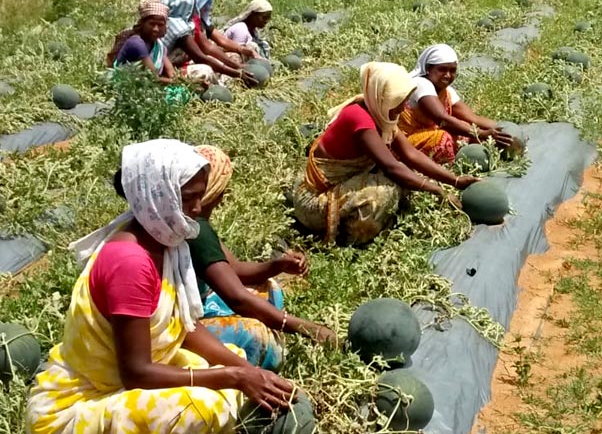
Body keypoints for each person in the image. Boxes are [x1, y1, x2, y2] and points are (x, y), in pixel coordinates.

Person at [26, 140, 296, 434]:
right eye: (188, 198)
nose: (197, 208)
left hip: (136, 376)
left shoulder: (166, 241)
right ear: (159, 197)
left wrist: (244, 369)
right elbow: (136, 373)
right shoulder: (130, 262)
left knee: (232, 355)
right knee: (201, 407)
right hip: (87, 399)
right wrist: (233, 376)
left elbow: (184, 328)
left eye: (200, 196)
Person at [111, 144, 336, 370]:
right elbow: (236, 297)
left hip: (181, 318)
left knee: (269, 290)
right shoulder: (166, 240)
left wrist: (277, 265)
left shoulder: (174, 224)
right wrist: (307, 328)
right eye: (192, 195)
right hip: (156, 340)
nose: (220, 199)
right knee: (259, 337)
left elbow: (233, 268)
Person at [293, 61, 481, 245]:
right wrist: (436, 190)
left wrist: (455, 180)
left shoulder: (380, 113)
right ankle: (346, 238)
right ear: (382, 96)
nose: (402, 108)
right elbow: (392, 167)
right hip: (314, 202)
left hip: (344, 182)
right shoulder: (359, 119)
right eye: (397, 102)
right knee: (384, 193)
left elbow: (410, 154)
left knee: (406, 181)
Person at [398, 44, 513, 164]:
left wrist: (505, 130)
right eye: (442, 69)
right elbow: (442, 119)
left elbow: (472, 118)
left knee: (466, 128)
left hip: (430, 134)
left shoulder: (445, 91)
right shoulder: (420, 84)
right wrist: (482, 134)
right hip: (405, 142)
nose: (448, 75)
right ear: (428, 69)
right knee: (444, 137)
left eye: (452, 70)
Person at [160, 0, 256, 86]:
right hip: (174, 69)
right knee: (206, 70)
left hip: (186, 62)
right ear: (188, 4)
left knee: (230, 58)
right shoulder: (178, 28)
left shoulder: (193, 21)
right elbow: (202, 54)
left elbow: (215, 42)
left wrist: (239, 55)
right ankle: (219, 87)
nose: (205, 6)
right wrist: (237, 72)